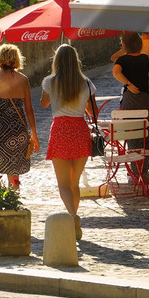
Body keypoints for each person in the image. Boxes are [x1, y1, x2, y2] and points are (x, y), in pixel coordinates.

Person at [41, 43, 98, 236]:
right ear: (76, 61)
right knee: (74, 183)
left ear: (56, 61)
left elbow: (43, 103)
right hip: (80, 130)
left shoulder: (50, 82)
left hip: (60, 130)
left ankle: (73, 216)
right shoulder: (87, 83)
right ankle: (74, 217)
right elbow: (93, 112)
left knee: (63, 184)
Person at [0, 43, 38, 188]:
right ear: (17, 59)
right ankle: (14, 202)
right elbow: (29, 110)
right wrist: (34, 134)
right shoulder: (23, 79)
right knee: (14, 172)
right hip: (18, 131)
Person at [112, 31, 149, 177]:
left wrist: (128, 83)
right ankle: (144, 172)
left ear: (125, 45)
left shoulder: (122, 60)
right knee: (147, 136)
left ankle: (135, 171)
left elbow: (116, 72)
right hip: (148, 100)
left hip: (130, 100)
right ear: (139, 44)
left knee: (132, 135)